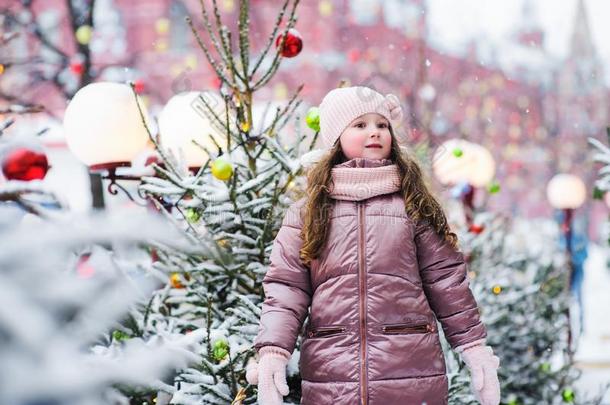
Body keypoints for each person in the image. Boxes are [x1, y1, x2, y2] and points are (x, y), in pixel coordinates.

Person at [245, 86, 501, 405]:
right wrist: (273, 351)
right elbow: (287, 287)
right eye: (361, 125)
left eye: (382, 125)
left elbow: (446, 281)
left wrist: (473, 347)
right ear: (337, 137)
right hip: (332, 372)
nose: (375, 132)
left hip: (410, 365)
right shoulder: (309, 210)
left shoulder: (413, 203)